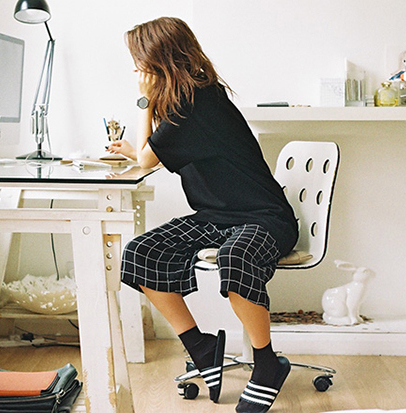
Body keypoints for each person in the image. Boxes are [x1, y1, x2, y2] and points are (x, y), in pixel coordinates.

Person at [108, 17, 298, 413]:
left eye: (138, 60)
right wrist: (136, 149)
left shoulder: (197, 102)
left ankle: (267, 364)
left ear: (158, 60)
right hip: (215, 217)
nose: (135, 69)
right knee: (142, 252)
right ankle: (200, 346)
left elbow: (146, 160)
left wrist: (144, 101)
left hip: (265, 217)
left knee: (235, 257)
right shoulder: (188, 102)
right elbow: (151, 154)